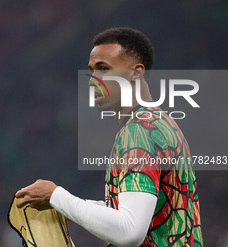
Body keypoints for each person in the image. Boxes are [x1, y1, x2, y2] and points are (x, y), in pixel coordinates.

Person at [15, 27, 203, 247]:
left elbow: (130, 232)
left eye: (104, 69)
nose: (92, 80)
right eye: (92, 71)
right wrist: (68, 206)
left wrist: (56, 196)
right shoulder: (158, 123)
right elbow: (134, 209)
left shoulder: (140, 131)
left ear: (136, 72)